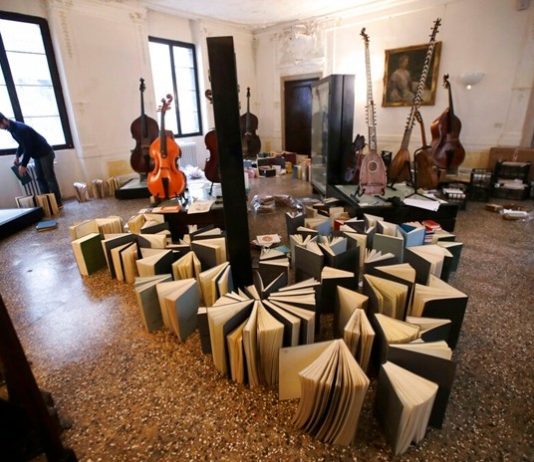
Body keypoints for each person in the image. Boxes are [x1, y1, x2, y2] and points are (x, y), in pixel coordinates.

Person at [0, 113, 63, 207]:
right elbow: (22, 144)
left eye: (0, 125)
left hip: (45, 153)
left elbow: (28, 148)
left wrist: (23, 165)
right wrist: (17, 156)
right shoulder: (12, 130)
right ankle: (48, 202)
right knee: (40, 178)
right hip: (37, 155)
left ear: (4, 120)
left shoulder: (19, 129)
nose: (0, 128)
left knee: (49, 177)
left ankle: (58, 202)